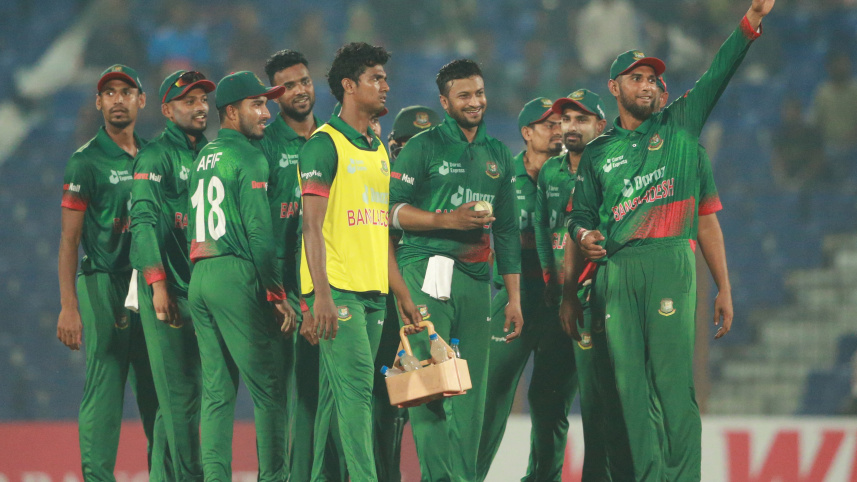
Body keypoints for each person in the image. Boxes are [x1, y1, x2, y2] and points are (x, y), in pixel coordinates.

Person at [566, 2, 771, 479]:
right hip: (616, 272)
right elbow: (579, 215)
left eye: (653, 78)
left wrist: (752, 20)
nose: (647, 85)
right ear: (615, 88)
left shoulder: (680, 125)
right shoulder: (597, 153)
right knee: (630, 389)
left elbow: (719, 72)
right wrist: (585, 234)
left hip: (669, 261)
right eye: (636, 78)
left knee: (673, 385)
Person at [389, 59, 523, 482]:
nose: (475, 102)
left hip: (476, 279)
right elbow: (390, 212)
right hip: (424, 270)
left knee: (470, 392)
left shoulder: (498, 155)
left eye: (479, 93)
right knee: (430, 386)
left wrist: (514, 297)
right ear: (445, 102)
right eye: (464, 95)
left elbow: (507, 231)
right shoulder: (423, 147)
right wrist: (447, 220)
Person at [298, 42, 419, 482]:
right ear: (349, 86)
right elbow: (311, 227)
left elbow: (378, 229)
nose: (385, 85)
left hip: (373, 292)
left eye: (385, 77)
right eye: (376, 78)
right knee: (357, 397)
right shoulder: (323, 145)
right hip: (338, 291)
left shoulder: (378, 149)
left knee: (335, 399)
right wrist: (321, 296)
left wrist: (400, 292)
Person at [187, 71, 297, 481]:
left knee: (217, 394)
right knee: (269, 388)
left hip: (201, 274)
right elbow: (259, 235)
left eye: (266, 104)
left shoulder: (204, 156)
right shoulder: (250, 158)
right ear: (231, 111)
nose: (266, 113)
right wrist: (276, 292)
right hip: (235, 274)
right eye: (257, 104)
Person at [57, 64, 159, 480]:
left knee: (158, 388)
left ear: (142, 100)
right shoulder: (85, 161)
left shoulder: (154, 155)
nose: (118, 99)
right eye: (110, 93)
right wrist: (68, 306)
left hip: (150, 283)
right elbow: (69, 241)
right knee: (106, 383)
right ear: (98, 102)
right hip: (104, 280)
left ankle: (166, 474)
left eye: (126, 91)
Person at [256, 49, 344, 482]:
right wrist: (275, 292)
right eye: (288, 85)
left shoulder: (332, 140)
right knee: (288, 399)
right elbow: (259, 226)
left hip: (329, 284)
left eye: (305, 81)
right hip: (284, 293)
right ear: (275, 96)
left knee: (332, 396)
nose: (300, 91)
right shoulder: (264, 145)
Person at [476, 97, 571, 482]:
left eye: (561, 123)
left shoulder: (573, 176)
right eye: (548, 125)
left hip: (559, 304)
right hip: (513, 300)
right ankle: (469, 476)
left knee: (552, 405)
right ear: (527, 133)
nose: (558, 131)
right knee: (489, 398)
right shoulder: (500, 177)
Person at [129, 69, 215, 481]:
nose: (200, 108)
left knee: (187, 397)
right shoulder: (155, 157)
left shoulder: (210, 155)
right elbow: (143, 222)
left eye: (203, 100)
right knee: (180, 398)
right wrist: (157, 283)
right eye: (188, 101)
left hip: (201, 289)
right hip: (167, 289)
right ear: (166, 110)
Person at [373, 105, 442, 482]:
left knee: (432, 397)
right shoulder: (379, 183)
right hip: (386, 302)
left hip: (433, 300)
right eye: (406, 146)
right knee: (385, 397)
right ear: (392, 147)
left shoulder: (444, 189)